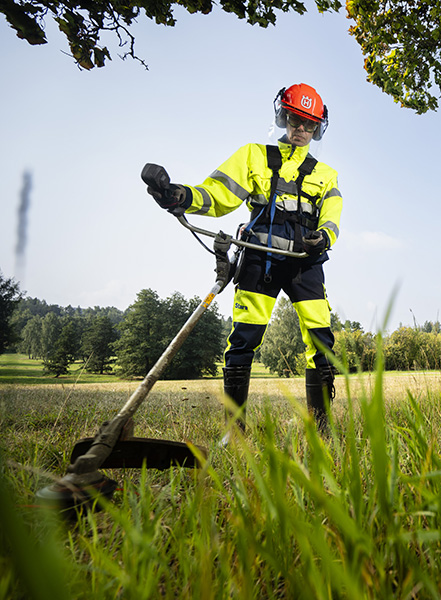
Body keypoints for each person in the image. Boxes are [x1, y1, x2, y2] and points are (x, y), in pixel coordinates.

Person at [145, 83, 342, 438]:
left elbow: (332, 216)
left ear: (317, 129)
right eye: (296, 120)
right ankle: (233, 431)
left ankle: (322, 429)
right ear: (283, 117)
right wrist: (181, 195)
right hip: (259, 260)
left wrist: (324, 237)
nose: (301, 129)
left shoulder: (327, 175)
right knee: (244, 339)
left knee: (321, 340)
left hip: (304, 263)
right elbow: (218, 193)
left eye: (309, 125)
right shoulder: (252, 155)